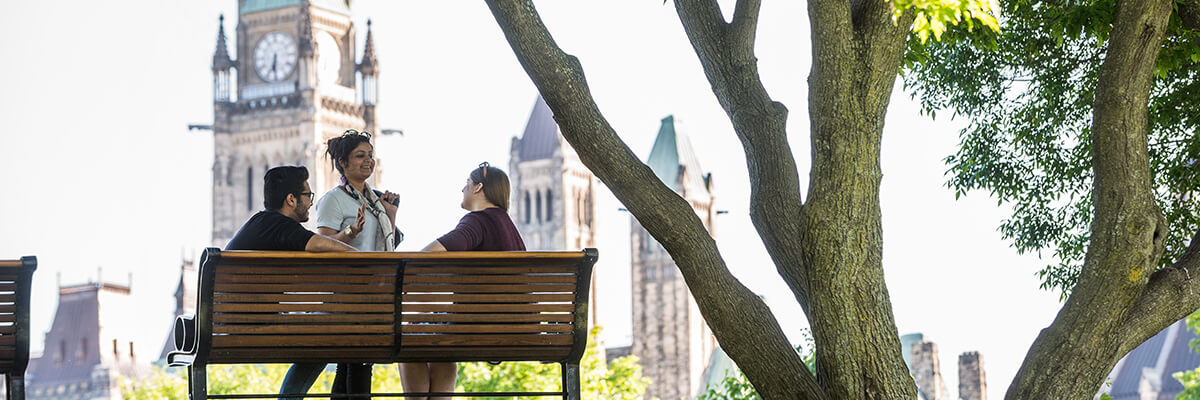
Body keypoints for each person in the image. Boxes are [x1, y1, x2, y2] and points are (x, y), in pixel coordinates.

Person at [278, 129, 402, 399]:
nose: (369, 161)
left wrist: (390, 215)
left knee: (353, 364)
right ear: (343, 163)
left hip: (371, 295)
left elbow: (385, 249)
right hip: (346, 296)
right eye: (360, 156)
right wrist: (350, 232)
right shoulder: (333, 200)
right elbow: (323, 246)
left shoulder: (376, 201)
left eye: (371, 155)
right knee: (357, 363)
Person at [399, 162, 525, 400]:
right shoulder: (508, 225)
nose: (462, 189)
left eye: (467, 183)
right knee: (439, 337)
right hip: (516, 324)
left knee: (410, 332)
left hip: (480, 324)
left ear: (478, 187)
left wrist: (403, 271)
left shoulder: (477, 221)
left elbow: (431, 254)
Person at [225, 165, 354, 253]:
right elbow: (318, 243)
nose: (311, 203)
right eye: (308, 195)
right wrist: (358, 254)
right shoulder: (280, 225)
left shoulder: (262, 222)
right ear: (291, 199)